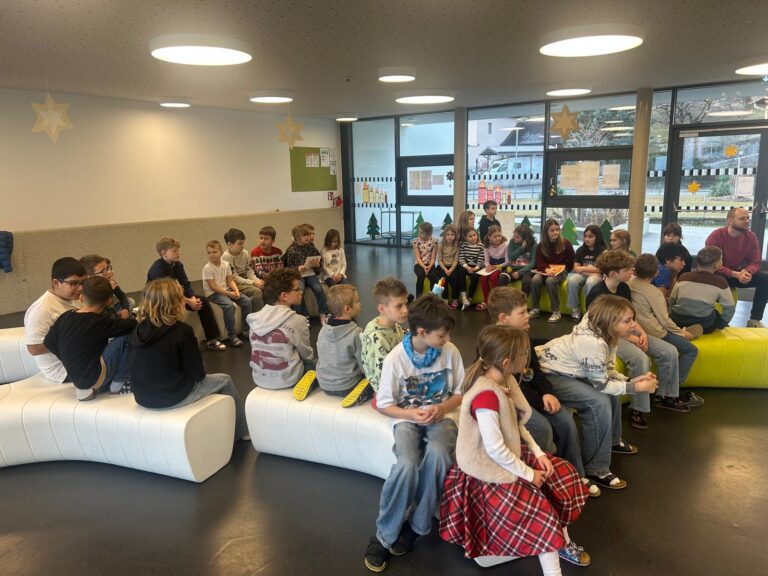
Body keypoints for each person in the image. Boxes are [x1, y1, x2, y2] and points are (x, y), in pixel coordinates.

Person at [439, 325, 590, 572]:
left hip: (508, 453)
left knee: (561, 475)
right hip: (489, 468)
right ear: (507, 362)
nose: (528, 357)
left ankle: (563, 542)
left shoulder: (506, 379)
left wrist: (538, 453)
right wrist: (529, 474)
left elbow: (516, 425)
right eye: (524, 354)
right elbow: (495, 450)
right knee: (541, 515)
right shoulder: (486, 397)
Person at [363, 294, 465, 573]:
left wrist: (441, 408)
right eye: (442, 335)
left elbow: (458, 394)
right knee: (406, 465)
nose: (447, 339)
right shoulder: (396, 359)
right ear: (421, 332)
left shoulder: (451, 352)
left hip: (442, 417)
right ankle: (385, 535)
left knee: (439, 455)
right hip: (406, 419)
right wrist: (411, 415)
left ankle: (417, 525)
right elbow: (384, 404)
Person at [536, 295, 659, 490]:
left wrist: (629, 380)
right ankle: (596, 468)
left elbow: (607, 370)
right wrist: (636, 388)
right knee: (598, 402)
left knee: (612, 395)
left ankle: (612, 441)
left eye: (632, 319)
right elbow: (601, 385)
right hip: (550, 373)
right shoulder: (592, 343)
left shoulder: (608, 332)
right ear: (610, 322)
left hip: (572, 368)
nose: (634, 325)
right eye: (627, 321)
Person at [488, 287, 600, 498]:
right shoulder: (493, 345)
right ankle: (548, 479)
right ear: (503, 318)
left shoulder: (523, 336)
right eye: (522, 312)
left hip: (533, 397)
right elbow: (514, 387)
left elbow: (535, 371)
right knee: (542, 429)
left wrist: (547, 393)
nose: (527, 316)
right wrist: (541, 401)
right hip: (512, 403)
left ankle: (575, 474)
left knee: (565, 421)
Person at [129, 278, 249, 442]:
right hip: (172, 396)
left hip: (142, 396)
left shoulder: (138, 330)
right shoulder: (182, 331)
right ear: (176, 302)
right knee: (225, 380)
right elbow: (198, 374)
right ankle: (242, 432)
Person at [587, 250, 685, 427]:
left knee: (669, 351)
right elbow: (602, 327)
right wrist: (632, 338)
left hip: (628, 332)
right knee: (640, 359)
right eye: (627, 269)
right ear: (613, 273)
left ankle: (666, 396)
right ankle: (638, 408)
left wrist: (642, 333)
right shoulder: (597, 294)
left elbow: (630, 316)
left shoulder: (624, 288)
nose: (632, 272)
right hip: (608, 336)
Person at [44, 276, 135, 400]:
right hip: (95, 377)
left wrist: (68, 360)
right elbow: (132, 325)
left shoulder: (65, 316)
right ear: (109, 301)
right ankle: (118, 384)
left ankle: (87, 387)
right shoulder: (100, 322)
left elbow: (48, 342)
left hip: (76, 378)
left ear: (81, 298)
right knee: (127, 336)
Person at [629, 254, 702, 410]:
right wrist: (681, 333)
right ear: (656, 272)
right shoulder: (654, 292)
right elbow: (665, 320)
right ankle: (672, 390)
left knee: (681, 335)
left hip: (638, 329)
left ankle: (668, 390)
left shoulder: (628, 284)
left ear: (635, 270)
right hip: (656, 332)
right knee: (691, 350)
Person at [147, 237, 226, 351]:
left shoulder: (177, 265)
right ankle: (174, 344)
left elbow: (185, 283)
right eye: (174, 251)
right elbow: (168, 293)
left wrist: (193, 298)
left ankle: (212, 339)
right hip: (161, 300)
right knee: (172, 306)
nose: (178, 253)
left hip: (177, 296)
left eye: (178, 250)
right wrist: (188, 301)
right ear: (164, 253)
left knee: (202, 301)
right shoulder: (158, 269)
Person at [246, 268, 316, 393]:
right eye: (297, 289)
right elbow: (306, 355)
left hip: (259, 379)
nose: (301, 292)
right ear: (284, 296)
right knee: (316, 363)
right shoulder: (298, 320)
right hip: (288, 380)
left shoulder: (255, 319)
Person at [24, 257, 85, 382]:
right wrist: (72, 340)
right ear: (56, 283)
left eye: (83, 282)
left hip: (80, 357)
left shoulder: (74, 297)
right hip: (62, 370)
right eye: (74, 283)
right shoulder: (42, 309)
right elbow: (34, 349)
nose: (80, 288)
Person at [706, 207, 768, 328]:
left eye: (748, 218)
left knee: (765, 279)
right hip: (717, 274)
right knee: (718, 277)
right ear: (730, 221)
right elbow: (712, 265)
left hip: (738, 274)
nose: (747, 221)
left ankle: (754, 320)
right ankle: (719, 320)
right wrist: (735, 274)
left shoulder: (751, 237)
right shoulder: (716, 236)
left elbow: (755, 261)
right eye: (742, 219)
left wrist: (747, 272)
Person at [315, 284, 370, 407]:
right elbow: (363, 363)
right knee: (374, 381)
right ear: (347, 309)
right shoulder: (356, 332)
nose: (360, 304)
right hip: (347, 386)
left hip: (324, 384)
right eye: (357, 301)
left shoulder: (323, 329)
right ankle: (363, 394)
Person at [360, 277, 408, 396]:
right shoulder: (376, 339)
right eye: (399, 306)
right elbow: (381, 379)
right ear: (382, 308)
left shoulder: (395, 326)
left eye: (405, 304)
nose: (405, 310)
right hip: (388, 392)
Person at [671, 246, 735, 334]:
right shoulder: (720, 282)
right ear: (717, 265)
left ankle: (682, 329)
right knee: (715, 313)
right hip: (703, 323)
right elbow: (730, 308)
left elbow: (672, 299)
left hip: (677, 320)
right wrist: (721, 324)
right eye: (721, 259)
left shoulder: (683, 276)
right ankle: (696, 330)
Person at [202, 239, 252, 347]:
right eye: (209, 253)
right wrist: (229, 294)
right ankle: (232, 336)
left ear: (221, 252)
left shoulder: (225, 264)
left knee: (247, 301)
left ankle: (246, 330)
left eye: (214, 252)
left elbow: (230, 280)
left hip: (226, 290)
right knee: (229, 306)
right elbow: (213, 287)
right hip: (213, 293)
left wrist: (236, 291)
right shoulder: (207, 268)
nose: (212, 255)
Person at [530, 219, 575, 323]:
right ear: (546, 232)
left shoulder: (566, 243)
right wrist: (547, 269)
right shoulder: (541, 245)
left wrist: (565, 270)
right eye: (552, 230)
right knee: (535, 279)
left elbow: (572, 260)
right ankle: (535, 308)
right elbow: (539, 262)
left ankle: (556, 312)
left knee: (550, 281)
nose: (555, 232)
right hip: (546, 269)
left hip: (561, 270)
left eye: (557, 230)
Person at [284, 224, 328, 322]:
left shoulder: (311, 247)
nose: (308, 237)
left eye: (308, 234)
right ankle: (299, 315)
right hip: (298, 275)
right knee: (300, 290)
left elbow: (319, 261)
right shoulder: (292, 250)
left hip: (310, 273)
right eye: (305, 235)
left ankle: (323, 312)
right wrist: (298, 268)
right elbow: (289, 266)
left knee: (318, 288)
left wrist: (317, 264)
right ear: (297, 237)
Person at [565, 224, 606, 321]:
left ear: (597, 237)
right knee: (572, 280)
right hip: (586, 274)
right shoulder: (580, 250)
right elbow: (576, 268)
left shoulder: (603, 251)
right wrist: (592, 270)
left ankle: (590, 311)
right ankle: (575, 308)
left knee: (591, 282)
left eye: (590, 236)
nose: (587, 239)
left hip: (595, 276)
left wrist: (583, 269)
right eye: (585, 236)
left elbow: (602, 270)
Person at [222, 228, 265, 312]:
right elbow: (234, 278)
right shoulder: (226, 257)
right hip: (234, 285)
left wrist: (257, 281)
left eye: (243, 243)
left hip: (245, 281)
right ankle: (257, 317)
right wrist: (253, 283)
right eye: (240, 244)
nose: (243, 245)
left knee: (265, 287)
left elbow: (249, 271)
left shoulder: (245, 253)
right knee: (257, 292)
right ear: (230, 244)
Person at [80, 254, 134, 319]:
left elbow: (122, 296)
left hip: (107, 309)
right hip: (97, 314)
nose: (109, 272)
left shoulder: (110, 282)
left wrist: (125, 310)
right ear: (90, 276)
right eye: (103, 271)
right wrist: (110, 289)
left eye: (108, 268)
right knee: (110, 309)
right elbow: (105, 304)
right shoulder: (87, 290)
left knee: (130, 301)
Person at [498, 223, 536, 295]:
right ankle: (503, 299)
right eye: (514, 235)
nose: (514, 238)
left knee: (526, 281)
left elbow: (533, 263)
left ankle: (522, 301)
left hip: (526, 270)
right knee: (503, 277)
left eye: (517, 237)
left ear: (525, 239)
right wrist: (522, 248)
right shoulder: (512, 242)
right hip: (513, 269)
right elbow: (511, 257)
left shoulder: (533, 244)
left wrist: (520, 272)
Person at [478, 224, 509, 311]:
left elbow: (507, 262)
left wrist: (496, 267)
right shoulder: (487, 246)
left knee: (493, 277)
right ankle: (486, 301)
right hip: (492, 265)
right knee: (483, 278)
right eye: (495, 236)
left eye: (499, 235)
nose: (498, 238)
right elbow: (487, 261)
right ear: (489, 237)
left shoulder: (506, 244)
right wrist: (488, 266)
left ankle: (495, 301)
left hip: (501, 265)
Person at [457, 228, 484, 310]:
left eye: (474, 235)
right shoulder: (464, 245)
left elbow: (480, 260)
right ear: (466, 238)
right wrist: (467, 267)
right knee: (460, 271)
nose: (473, 238)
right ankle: (464, 298)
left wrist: (475, 269)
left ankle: (469, 299)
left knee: (475, 277)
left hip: (476, 267)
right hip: (466, 266)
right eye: (470, 236)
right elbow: (461, 258)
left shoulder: (480, 246)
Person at [436, 224, 460, 308]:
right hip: (443, 266)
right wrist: (445, 269)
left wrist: (451, 270)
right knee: (443, 280)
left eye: (452, 235)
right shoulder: (441, 245)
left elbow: (456, 260)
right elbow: (439, 260)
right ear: (445, 235)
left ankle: (455, 299)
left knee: (455, 279)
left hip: (453, 266)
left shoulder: (457, 245)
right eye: (448, 234)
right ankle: (445, 300)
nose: (450, 237)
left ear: (455, 236)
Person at [412, 221, 438, 296]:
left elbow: (433, 258)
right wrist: (424, 267)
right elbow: (417, 258)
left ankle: (432, 296)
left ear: (428, 234)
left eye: (421, 233)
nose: (419, 234)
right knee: (421, 275)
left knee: (433, 276)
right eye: (419, 232)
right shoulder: (416, 242)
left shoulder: (434, 242)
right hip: (419, 264)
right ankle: (419, 297)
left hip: (430, 264)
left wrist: (429, 267)